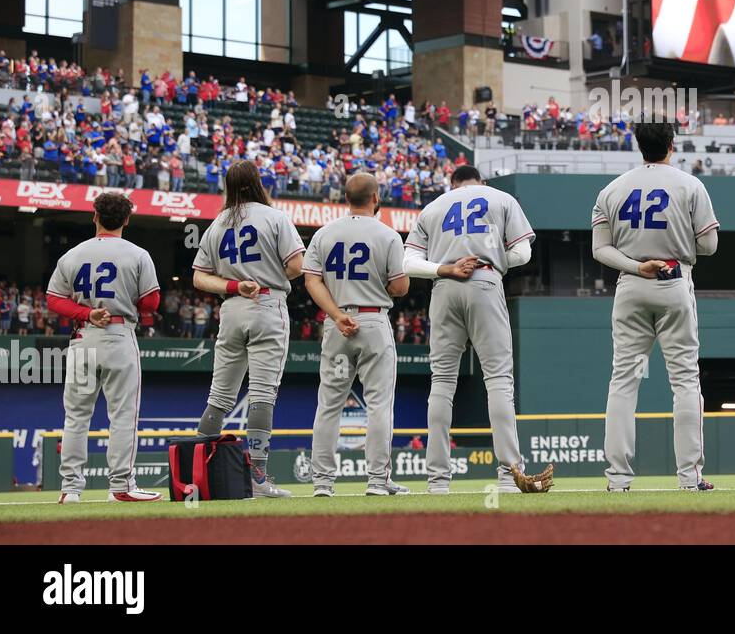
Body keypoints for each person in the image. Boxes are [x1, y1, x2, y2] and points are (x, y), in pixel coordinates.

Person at [403, 164, 547, 494]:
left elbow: (407, 263)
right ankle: (509, 475)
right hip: (485, 280)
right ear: (479, 181)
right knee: (497, 379)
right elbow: (523, 253)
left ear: (451, 183)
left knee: (440, 382)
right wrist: (491, 259)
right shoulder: (500, 198)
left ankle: (437, 481)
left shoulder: (433, 206)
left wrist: (448, 267)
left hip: (444, 284)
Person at [594, 122, 719, 491]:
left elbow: (600, 249)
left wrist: (636, 266)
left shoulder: (611, 189)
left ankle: (618, 479)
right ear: (672, 144)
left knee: (623, 380)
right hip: (673, 279)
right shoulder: (690, 184)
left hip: (631, 283)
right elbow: (709, 246)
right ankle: (689, 477)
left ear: (638, 145)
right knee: (683, 380)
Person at [192, 160, 305, 498]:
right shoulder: (274, 216)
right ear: (257, 182)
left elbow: (198, 276)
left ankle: (199, 476)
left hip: (231, 309)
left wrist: (233, 286)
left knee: (218, 398)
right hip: (267, 305)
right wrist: (267, 275)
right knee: (262, 396)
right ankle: (258, 478)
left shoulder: (217, 223)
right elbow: (296, 266)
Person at [47, 192, 163, 503]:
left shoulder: (72, 254)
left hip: (83, 337)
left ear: (94, 215)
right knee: (123, 415)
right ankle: (120, 487)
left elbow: (54, 299)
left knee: (76, 417)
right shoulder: (138, 254)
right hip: (118, 333)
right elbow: (151, 302)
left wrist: (86, 312)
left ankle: (70, 490)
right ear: (127, 219)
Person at [303, 173, 410, 497]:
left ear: (345, 198)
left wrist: (336, 315)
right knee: (379, 405)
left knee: (329, 404)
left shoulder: (324, 232)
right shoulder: (388, 234)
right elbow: (401, 287)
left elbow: (311, 280)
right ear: (375, 197)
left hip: (338, 325)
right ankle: (377, 482)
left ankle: (322, 483)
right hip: (374, 322)